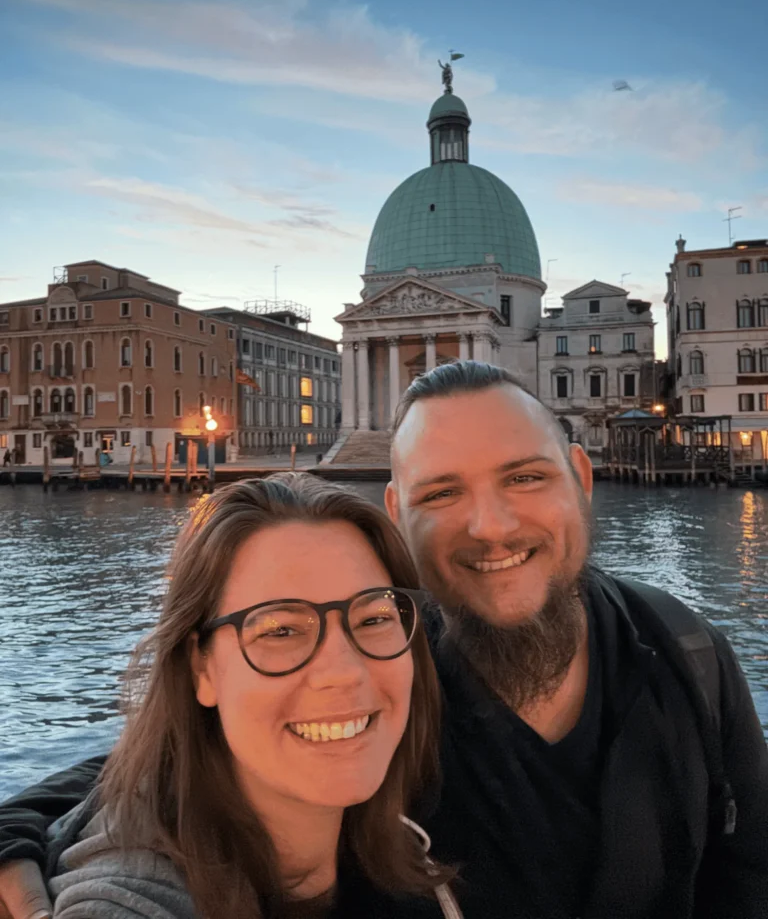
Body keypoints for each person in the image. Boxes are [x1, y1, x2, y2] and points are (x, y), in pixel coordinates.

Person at [1, 361, 767, 918]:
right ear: (399, 510)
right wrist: (17, 829)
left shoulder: (688, 651)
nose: (492, 526)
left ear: (580, 478)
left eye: (526, 478)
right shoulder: (379, 673)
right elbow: (178, 769)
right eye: (442, 492)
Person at [0, 474, 460, 919]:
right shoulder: (129, 891)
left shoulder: (399, 826)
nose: (344, 672)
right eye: (280, 630)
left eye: (374, 619)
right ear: (201, 668)